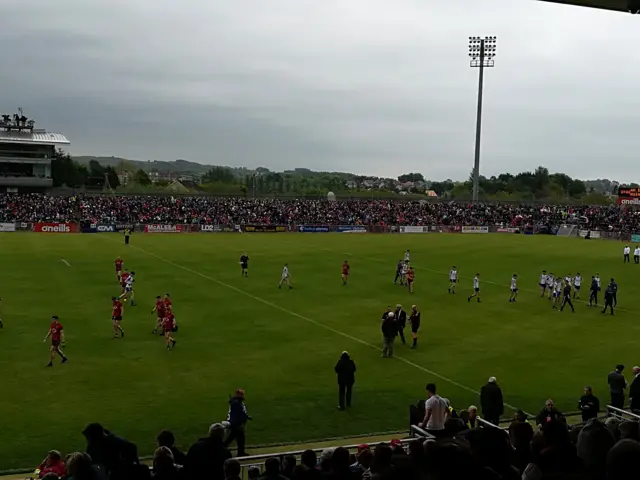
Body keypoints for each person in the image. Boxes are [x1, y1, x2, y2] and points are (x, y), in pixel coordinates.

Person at [225, 389, 251, 457]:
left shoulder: (237, 402)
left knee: (231, 437)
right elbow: (237, 414)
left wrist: (247, 417)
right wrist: (240, 423)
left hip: (235, 423)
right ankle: (240, 452)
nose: (243, 395)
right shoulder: (236, 403)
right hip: (236, 423)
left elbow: (241, 412)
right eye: (241, 394)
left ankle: (222, 447)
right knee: (240, 438)